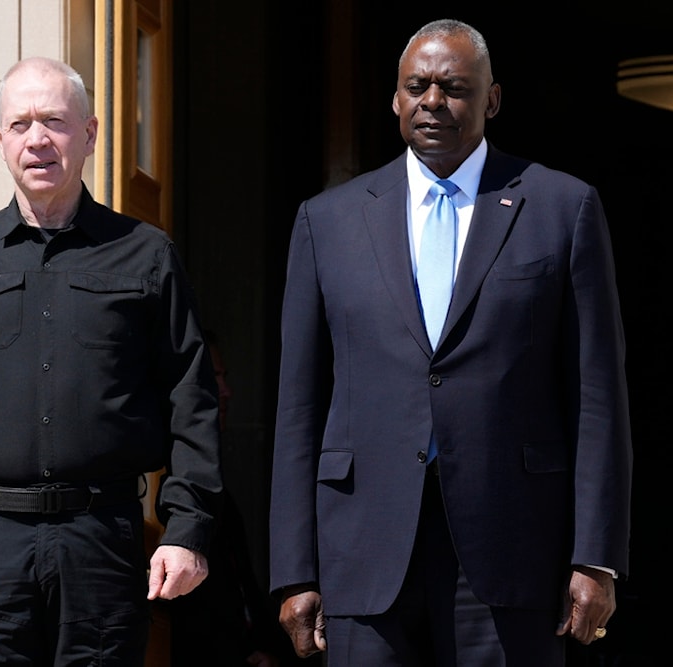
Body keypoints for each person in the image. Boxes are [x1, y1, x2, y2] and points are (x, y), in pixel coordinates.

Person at [269, 18, 632, 666]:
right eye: (418, 86)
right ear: (395, 99)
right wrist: (294, 569)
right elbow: (299, 404)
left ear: (492, 100)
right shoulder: (326, 220)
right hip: (364, 551)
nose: (433, 101)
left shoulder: (561, 208)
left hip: (512, 547)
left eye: (454, 87)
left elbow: (598, 396)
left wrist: (595, 554)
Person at [0, 56, 222, 665]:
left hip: (103, 542)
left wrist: (187, 527)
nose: (38, 138)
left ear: (88, 135)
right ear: (1, 139)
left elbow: (192, 400)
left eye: (55, 121)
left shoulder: (145, 256)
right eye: (22, 123)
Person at [167, 331, 288, 667]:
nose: (225, 391)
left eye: (223, 377)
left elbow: (241, 588)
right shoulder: (170, 493)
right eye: (213, 377)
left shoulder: (222, 494)